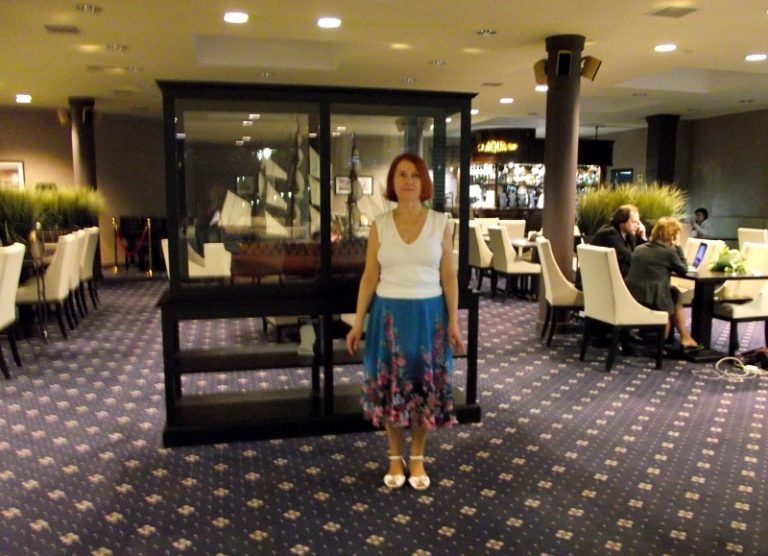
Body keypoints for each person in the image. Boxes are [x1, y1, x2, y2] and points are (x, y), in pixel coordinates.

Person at [346, 153, 464, 491]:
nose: (408, 181)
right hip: (388, 316)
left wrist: (454, 322)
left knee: (422, 387)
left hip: (429, 316)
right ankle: (395, 458)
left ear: (424, 182)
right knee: (392, 387)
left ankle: (418, 458)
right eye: (401, 175)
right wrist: (357, 322)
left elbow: (449, 276)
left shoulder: (441, 223)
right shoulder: (380, 224)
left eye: (414, 175)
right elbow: (370, 276)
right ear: (393, 183)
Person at [625, 217, 700, 350]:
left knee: (673, 292)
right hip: (652, 299)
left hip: (633, 296)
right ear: (672, 235)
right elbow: (683, 269)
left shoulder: (639, 248)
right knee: (674, 294)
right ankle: (683, 337)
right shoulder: (668, 252)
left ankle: (685, 337)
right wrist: (678, 247)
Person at [590, 204, 647, 277]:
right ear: (622, 220)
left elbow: (641, 254)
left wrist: (643, 237)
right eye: (634, 222)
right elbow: (628, 257)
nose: (637, 226)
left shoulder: (628, 236)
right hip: (598, 276)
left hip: (611, 275)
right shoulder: (608, 233)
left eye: (638, 222)